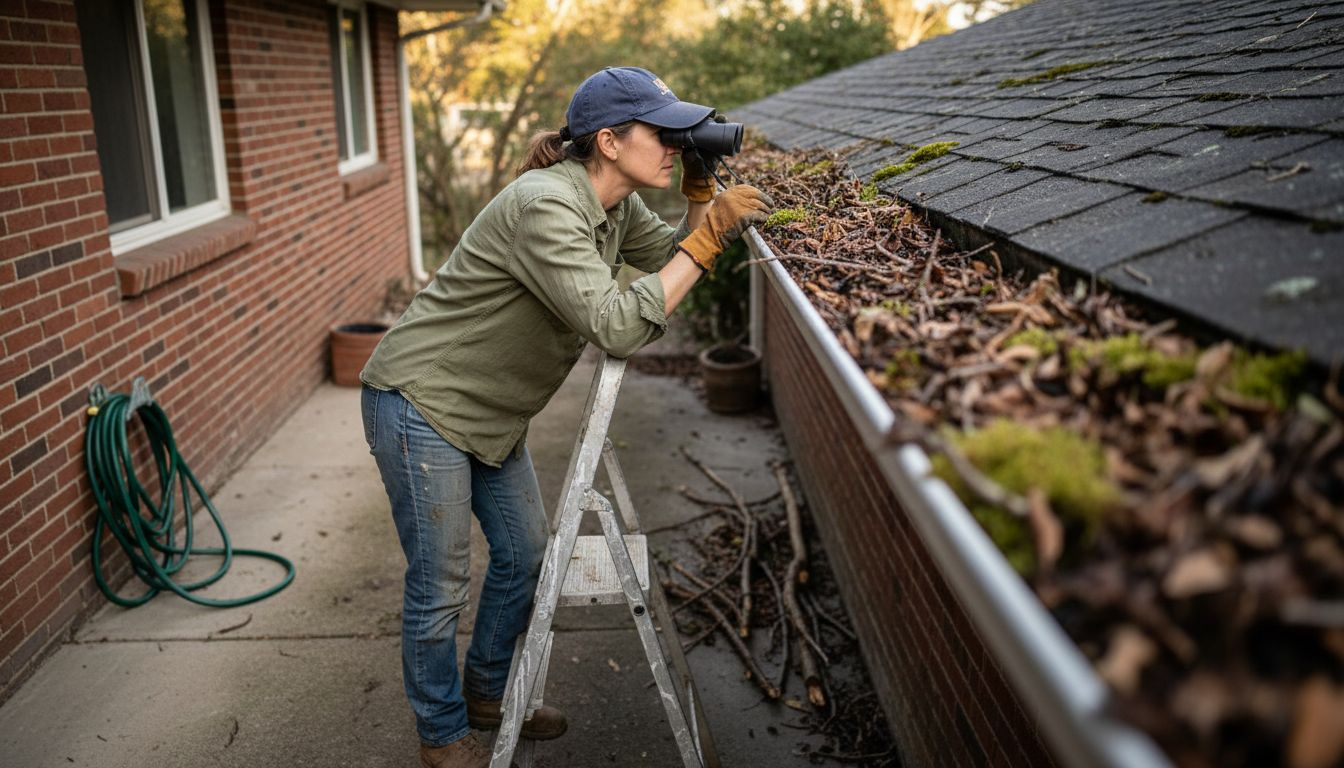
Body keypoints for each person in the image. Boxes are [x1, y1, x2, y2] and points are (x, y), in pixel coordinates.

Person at [358, 66, 773, 768]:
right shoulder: (545, 206)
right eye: (661, 132)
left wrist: (701, 196)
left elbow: (673, 265)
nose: (673, 142)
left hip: (491, 413)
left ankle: (489, 695)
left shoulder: (612, 206)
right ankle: (441, 734)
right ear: (608, 142)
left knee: (524, 557)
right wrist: (709, 240)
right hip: (421, 404)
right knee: (440, 588)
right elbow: (617, 322)